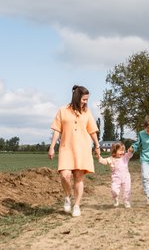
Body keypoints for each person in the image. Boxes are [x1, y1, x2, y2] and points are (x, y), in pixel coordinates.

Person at [48, 85, 100, 217]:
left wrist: (97, 146)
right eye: (84, 99)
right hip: (66, 148)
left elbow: (92, 131)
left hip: (82, 149)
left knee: (78, 178)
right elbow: (57, 131)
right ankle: (67, 196)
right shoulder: (63, 110)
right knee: (65, 175)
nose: (86, 102)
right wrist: (52, 147)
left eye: (87, 99)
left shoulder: (87, 112)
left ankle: (76, 205)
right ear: (77, 97)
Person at [99, 141, 133, 208]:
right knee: (114, 190)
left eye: (123, 150)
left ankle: (126, 201)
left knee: (127, 190)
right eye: (120, 150)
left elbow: (129, 154)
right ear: (114, 151)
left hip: (126, 177)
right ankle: (115, 198)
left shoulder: (125, 157)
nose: (122, 152)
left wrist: (130, 150)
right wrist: (99, 157)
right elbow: (104, 161)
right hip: (116, 178)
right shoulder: (111, 159)